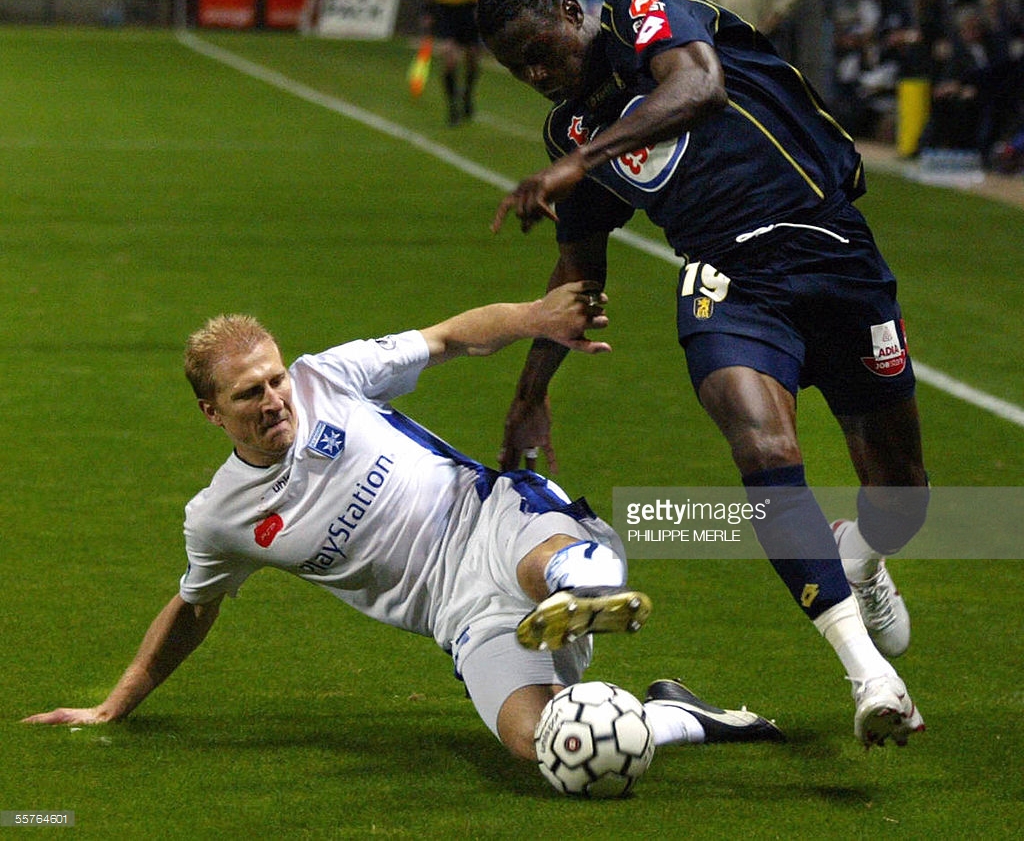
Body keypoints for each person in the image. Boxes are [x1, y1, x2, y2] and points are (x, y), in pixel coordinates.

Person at [21, 281, 782, 770]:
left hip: (493, 519)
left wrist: (536, 319)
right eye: (250, 393)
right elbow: (193, 608)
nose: (276, 398)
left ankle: (577, 588)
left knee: (556, 566)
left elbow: (448, 337)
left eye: (277, 378)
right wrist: (116, 702)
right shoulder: (221, 517)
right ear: (211, 411)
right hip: (461, 618)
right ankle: (676, 716)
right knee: (555, 751)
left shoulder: (331, 377)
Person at [476, 0, 929, 749]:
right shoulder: (572, 134)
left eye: (539, 52)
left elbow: (699, 86)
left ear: (569, 11)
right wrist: (530, 391)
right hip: (728, 278)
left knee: (903, 497)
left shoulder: (636, 7)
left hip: (830, 248)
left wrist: (582, 164)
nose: (537, 76)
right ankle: (869, 676)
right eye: (519, 70)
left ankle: (860, 557)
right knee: (764, 446)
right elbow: (580, 270)